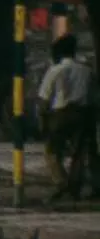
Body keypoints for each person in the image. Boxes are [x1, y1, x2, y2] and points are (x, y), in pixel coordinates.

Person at [39, 34, 94, 201]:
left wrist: (43, 122)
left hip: (60, 115)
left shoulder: (55, 70)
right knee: (78, 153)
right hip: (82, 114)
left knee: (52, 152)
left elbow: (44, 99)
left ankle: (61, 183)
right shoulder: (86, 70)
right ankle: (75, 187)